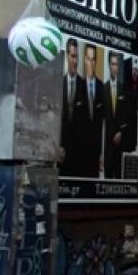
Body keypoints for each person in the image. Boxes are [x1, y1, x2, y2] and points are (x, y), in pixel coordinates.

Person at [102, 49, 134, 178]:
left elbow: (129, 116)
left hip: (121, 144)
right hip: (108, 145)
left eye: (116, 64)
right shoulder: (103, 89)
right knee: (108, 176)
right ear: (109, 65)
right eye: (112, 64)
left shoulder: (124, 89)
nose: (114, 67)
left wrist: (121, 132)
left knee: (120, 175)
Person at [59, 38, 86, 177]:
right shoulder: (59, 84)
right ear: (66, 56)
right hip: (61, 155)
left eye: (77, 57)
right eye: (73, 56)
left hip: (79, 157)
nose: (75, 61)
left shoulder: (83, 85)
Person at [81, 43, 106, 177]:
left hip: (96, 152)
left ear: (95, 61)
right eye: (88, 59)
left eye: (93, 59)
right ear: (85, 60)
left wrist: (102, 154)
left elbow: (104, 125)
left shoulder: (102, 88)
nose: (90, 63)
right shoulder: (79, 86)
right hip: (81, 152)